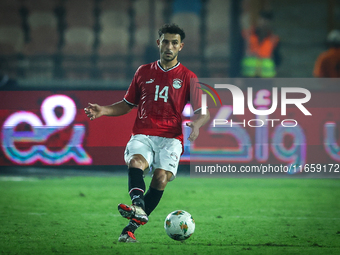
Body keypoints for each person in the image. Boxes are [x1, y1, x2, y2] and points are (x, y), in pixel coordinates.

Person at [84, 23, 210, 243]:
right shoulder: (143, 72)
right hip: (143, 133)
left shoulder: (189, 77)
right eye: (165, 41)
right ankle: (138, 204)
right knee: (136, 161)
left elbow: (203, 112)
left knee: (161, 178)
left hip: (171, 138)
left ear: (181, 46)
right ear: (158, 43)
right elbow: (127, 104)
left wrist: (197, 124)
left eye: (174, 43)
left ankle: (130, 228)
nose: (169, 46)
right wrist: (103, 110)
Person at [241, 11, 281, 78]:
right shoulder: (247, 35)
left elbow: (277, 58)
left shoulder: (274, 39)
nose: (264, 23)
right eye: (262, 20)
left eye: (267, 21)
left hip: (266, 77)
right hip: (248, 76)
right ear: (258, 20)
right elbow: (237, 55)